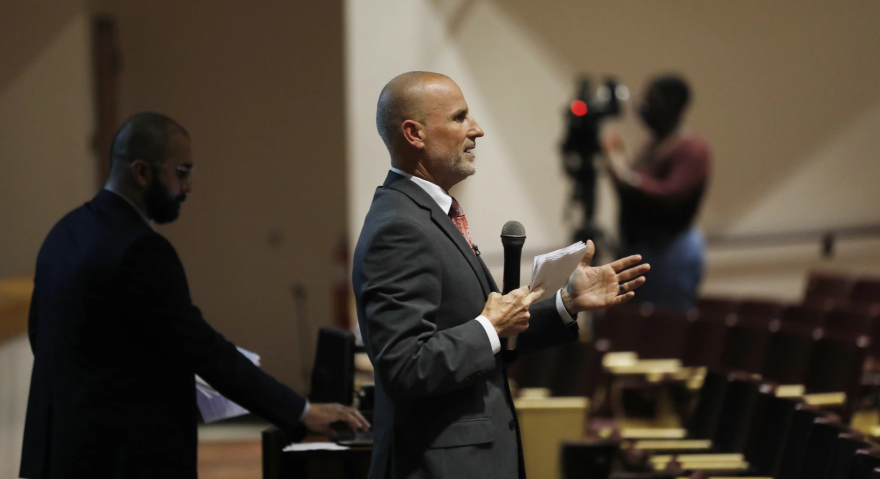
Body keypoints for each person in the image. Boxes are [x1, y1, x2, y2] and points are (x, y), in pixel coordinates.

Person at [19, 112, 369, 479]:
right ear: (142, 172)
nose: (188, 186)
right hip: (122, 458)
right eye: (181, 172)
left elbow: (41, 334)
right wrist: (300, 410)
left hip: (58, 452)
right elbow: (202, 349)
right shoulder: (141, 249)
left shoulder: (64, 231)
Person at [352, 72, 650, 479]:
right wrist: (488, 327)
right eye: (459, 118)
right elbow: (404, 365)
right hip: (437, 464)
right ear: (414, 133)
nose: (477, 130)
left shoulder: (427, 216)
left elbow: (488, 338)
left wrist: (566, 303)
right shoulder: (399, 227)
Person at [602, 74, 711, 310]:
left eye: (651, 100)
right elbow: (631, 194)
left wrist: (626, 176)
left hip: (670, 250)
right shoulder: (649, 146)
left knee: (664, 327)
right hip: (640, 247)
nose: (643, 106)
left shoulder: (692, 149)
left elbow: (670, 197)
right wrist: (616, 166)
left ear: (672, 103)